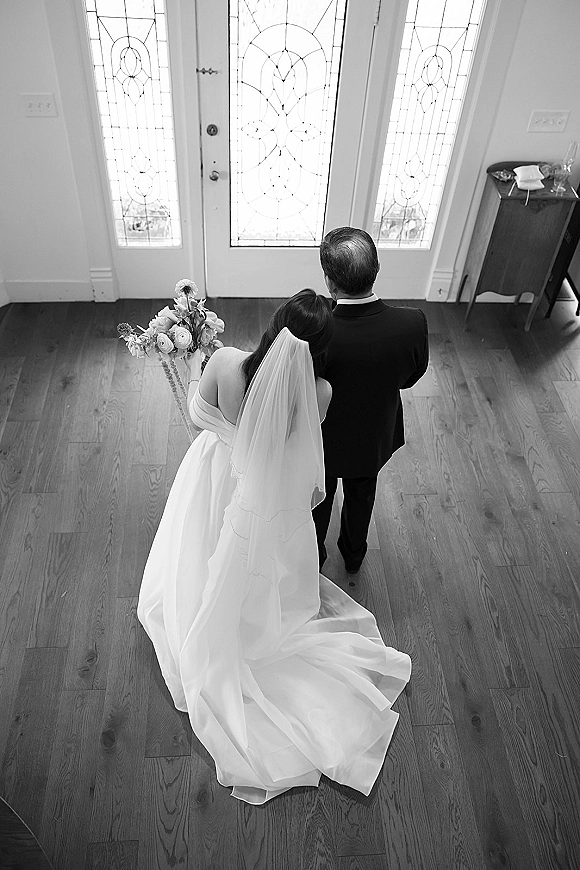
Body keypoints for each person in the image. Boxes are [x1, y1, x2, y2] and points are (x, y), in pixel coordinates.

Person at [137, 288, 411, 805]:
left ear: (273, 325)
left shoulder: (223, 362)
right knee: (249, 568)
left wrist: (197, 370)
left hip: (214, 479)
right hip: (260, 499)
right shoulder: (320, 392)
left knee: (199, 549)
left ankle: (197, 608)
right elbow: (292, 449)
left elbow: (198, 415)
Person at [313, 228, 429, 574]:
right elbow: (411, 377)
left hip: (323, 439)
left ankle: (313, 556)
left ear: (330, 282)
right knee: (362, 495)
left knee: (318, 499)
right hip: (374, 434)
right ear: (376, 271)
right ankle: (353, 554)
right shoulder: (411, 323)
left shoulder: (317, 331)